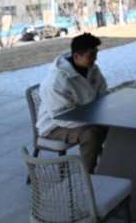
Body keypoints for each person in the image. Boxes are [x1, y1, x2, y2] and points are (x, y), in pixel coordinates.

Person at [36, 32, 109, 173]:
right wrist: (94, 121)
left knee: (117, 127)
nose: (95, 58)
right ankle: (87, 176)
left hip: (85, 117)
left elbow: (103, 95)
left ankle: (112, 165)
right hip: (55, 125)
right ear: (76, 56)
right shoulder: (56, 81)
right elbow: (63, 117)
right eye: (91, 55)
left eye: (96, 53)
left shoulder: (92, 69)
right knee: (91, 135)